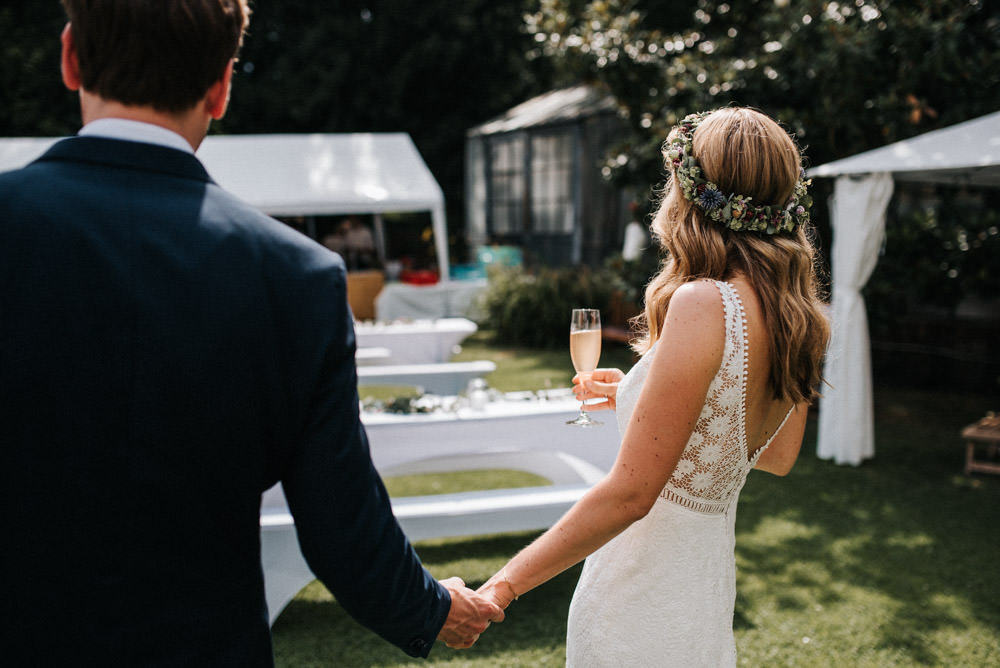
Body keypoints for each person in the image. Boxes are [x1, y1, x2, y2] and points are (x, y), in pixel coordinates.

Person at [0, 1, 501, 665]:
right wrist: (434, 609)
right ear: (222, 87)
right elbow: (340, 521)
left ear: (69, 58)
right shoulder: (295, 274)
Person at [477, 107, 830, 665]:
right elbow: (772, 454)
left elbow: (631, 494)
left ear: (688, 192)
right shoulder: (797, 315)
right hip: (702, 594)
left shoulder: (703, 303)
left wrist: (500, 586)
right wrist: (637, 395)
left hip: (639, 599)